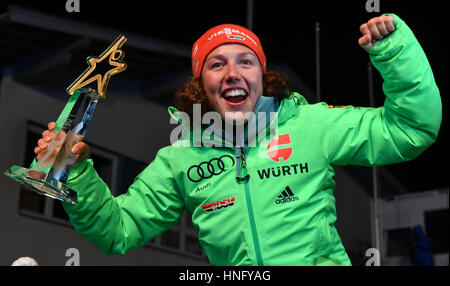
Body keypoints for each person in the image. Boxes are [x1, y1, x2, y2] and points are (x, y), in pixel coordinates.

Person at [34, 14, 442, 266]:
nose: (232, 73)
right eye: (217, 64)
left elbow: (409, 129)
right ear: (201, 84)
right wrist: (76, 173)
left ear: (262, 77)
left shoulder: (310, 125)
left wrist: (394, 53)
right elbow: (118, 231)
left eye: (245, 61)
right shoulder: (180, 158)